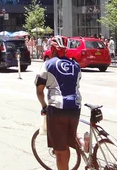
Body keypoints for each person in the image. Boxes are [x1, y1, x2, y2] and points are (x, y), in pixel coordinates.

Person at [35, 36, 82, 170]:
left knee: (60, 150)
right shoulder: (76, 65)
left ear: (53, 49)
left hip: (57, 109)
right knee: (67, 144)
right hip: (75, 108)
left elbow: (39, 90)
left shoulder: (48, 64)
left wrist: (44, 106)